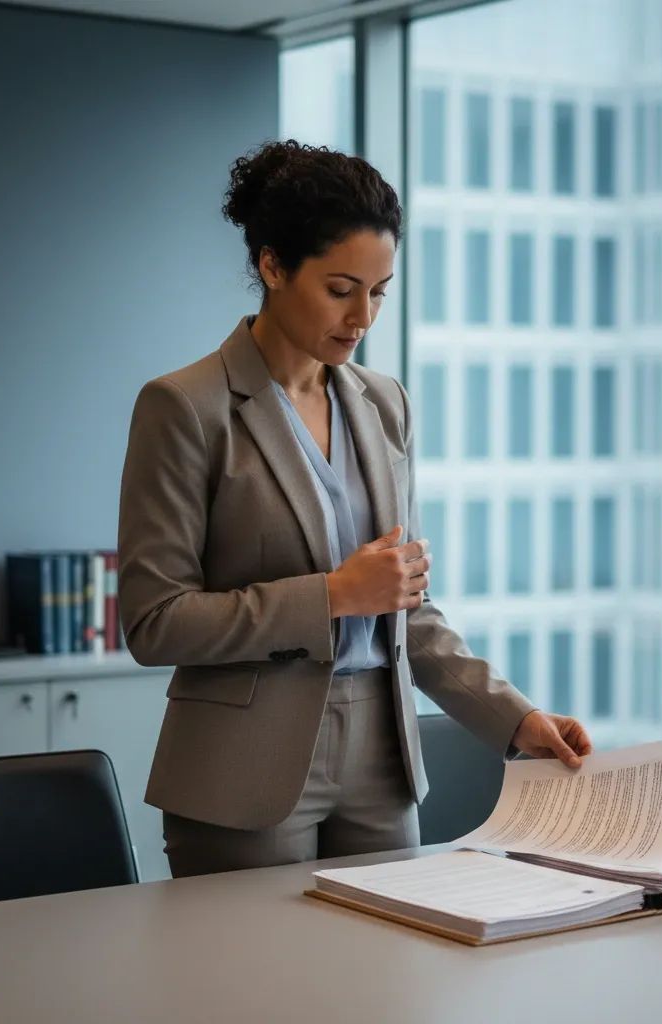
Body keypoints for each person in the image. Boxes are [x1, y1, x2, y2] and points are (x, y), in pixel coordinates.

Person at [118, 140, 593, 878]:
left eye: (379, 291)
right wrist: (333, 597)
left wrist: (514, 718)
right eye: (340, 289)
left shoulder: (385, 403)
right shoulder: (186, 407)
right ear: (273, 267)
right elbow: (155, 620)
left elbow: (406, 606)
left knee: (385, 985)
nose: (363, 315)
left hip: (383, 753)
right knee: (254, 993)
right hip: (244, 767)